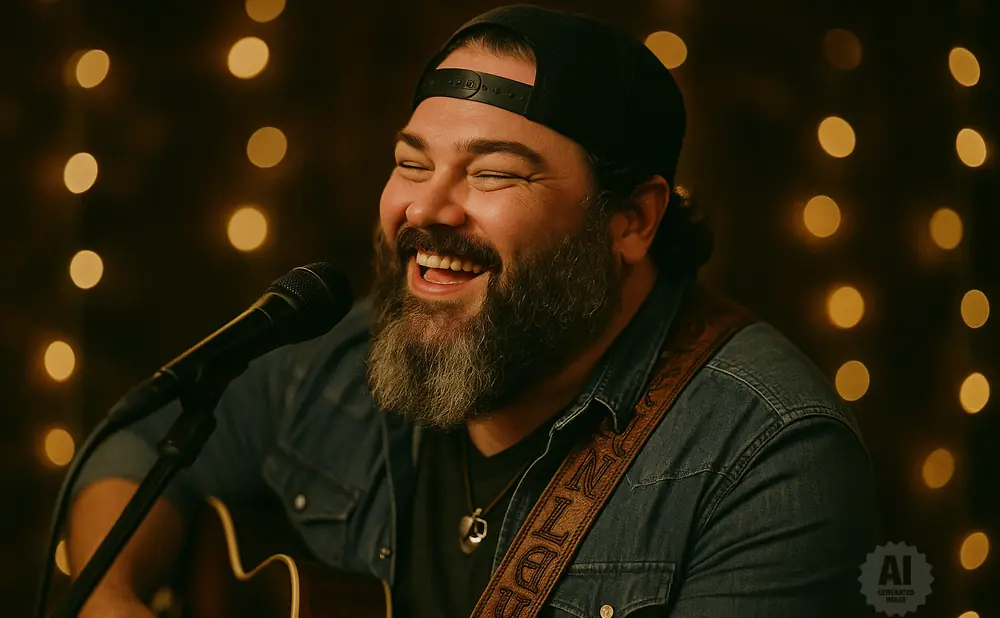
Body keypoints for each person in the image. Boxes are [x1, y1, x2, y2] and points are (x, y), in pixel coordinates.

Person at [68, 4, 879, 617]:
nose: (429, 208)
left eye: (493, 173)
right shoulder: (346, 359)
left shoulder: (768, 459)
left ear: (630, 219)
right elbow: (142, 443)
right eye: (410, 162)